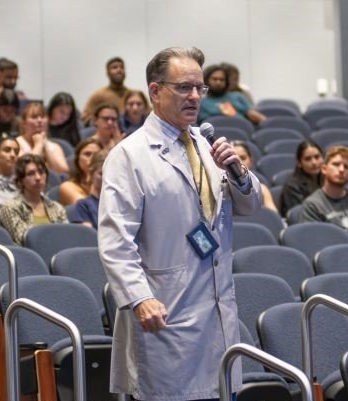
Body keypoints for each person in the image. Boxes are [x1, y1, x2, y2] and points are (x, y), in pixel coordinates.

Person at [98, 46, 262, 401]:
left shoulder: (207, 145)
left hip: (216, 313)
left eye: (199, 89)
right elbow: (115, 241)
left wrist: (238, 171)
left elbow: (251, 205)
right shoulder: (129, 155)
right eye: (184, 88)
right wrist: (140, 299)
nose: (194, 97)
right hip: (166, 314)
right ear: (155, 91)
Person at [0, 154, 68, 244]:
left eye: (41, 172)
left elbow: (67, 236)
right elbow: (24, 239)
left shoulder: (57, 208)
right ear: (20, 181)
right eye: (31, 174)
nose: (38, 178)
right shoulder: (10, 207)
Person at [197, 64, 266, 125]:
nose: (218, 82)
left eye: (222, 80)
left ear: (226, 82)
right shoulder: (201, 102)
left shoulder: (238, 96)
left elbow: (253, 115)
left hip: (240, 132)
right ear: (206, 80)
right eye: (215, 79)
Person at [16, 102, 69, 174]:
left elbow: (63, 173)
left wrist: (45, 145)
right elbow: (26, 169)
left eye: (43, 117)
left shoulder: (54, 146)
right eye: (34, 117)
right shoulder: (16, 144)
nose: (39, 120)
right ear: (24, 123)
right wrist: (39, 145)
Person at [278, 140, 324, 217]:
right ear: (299, 163)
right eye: (308, 159)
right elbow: (299, 215)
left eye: (317, 157)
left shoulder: (327, 181)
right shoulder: (292, 187)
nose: (314, 162)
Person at [81, 57, 130, 126]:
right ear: (107, 73)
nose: (119, 70)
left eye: (122, 67)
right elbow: (85, 118)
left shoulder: (132, 95)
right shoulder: (98, 95)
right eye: (114, 67)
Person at [233, 141, 278, 212]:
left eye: (243, 158)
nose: (239, 162)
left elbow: (273, 217)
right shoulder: (220, 190)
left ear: (251, 161)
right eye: (233, 159)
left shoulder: (262, 189)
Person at [59, 137, 103, 206]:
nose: (92, 159)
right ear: (77, 160)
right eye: (87, 154)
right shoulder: (67, 186)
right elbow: (88, 208)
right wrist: (91, 178)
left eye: (97, 155)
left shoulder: (107, 183)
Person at [71, 149, 107, 229]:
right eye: (101, 174)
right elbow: (87, 237)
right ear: (91, 173)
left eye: (109, 173)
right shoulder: (84, 205)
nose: (106, 178)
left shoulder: (120, 202)